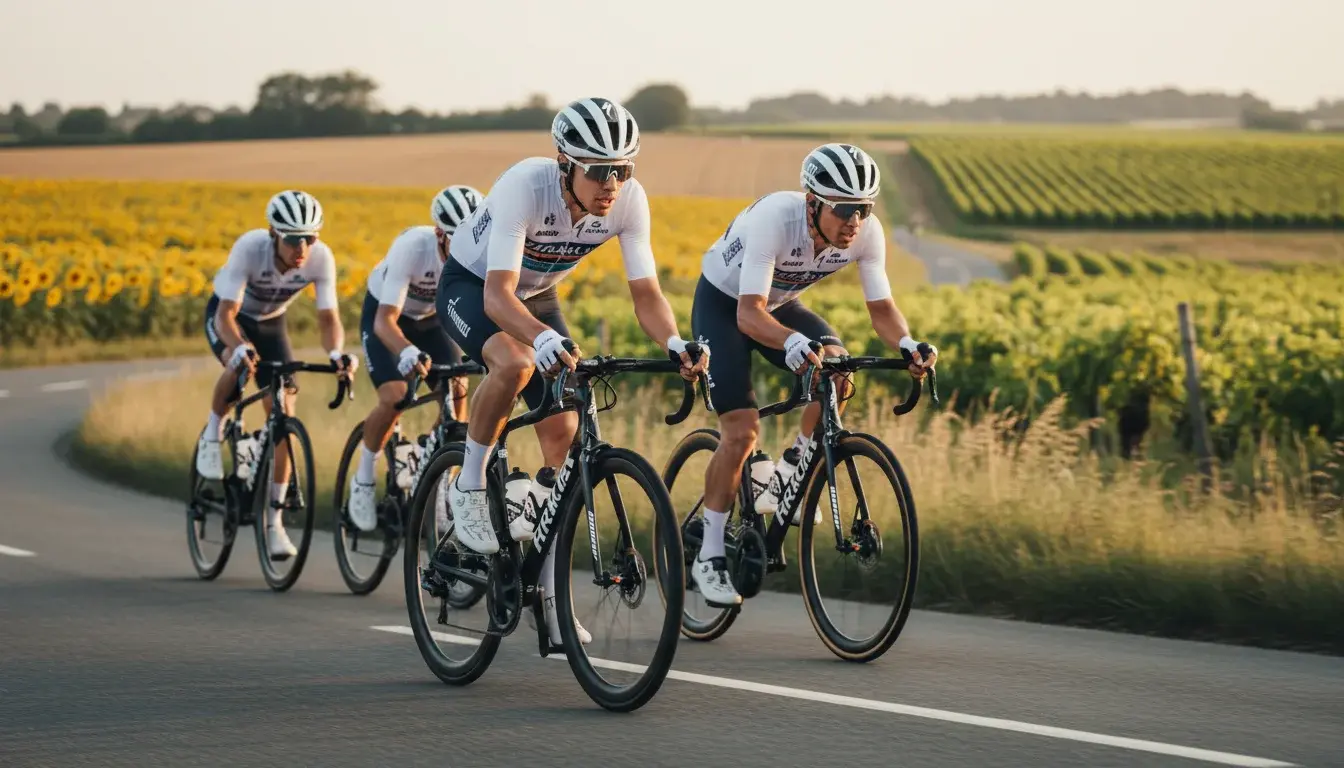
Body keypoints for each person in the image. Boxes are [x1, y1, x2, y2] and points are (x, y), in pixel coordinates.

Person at [435, 96, 709, 645]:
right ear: (565, 164)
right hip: (475, 285)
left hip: (538, 295)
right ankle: (469, 484)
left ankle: (549, 600)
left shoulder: (629, 201)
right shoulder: (526, 186)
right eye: (599, 171)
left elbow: (647, 295)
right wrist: (538, 338)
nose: (612, 183)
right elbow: (497, 297)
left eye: (623, 169)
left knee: (563, 440)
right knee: (514, 364)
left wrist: (675, 341)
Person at [687, 143, 937, 607]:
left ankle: (789, 472)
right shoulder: (776, 221)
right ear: (812, 203)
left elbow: (882, 309)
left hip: (779, 303)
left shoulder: (866, 233)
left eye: (863, 208)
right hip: (726, 306)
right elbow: (748, 315)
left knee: (839, 370)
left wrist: (907, 345)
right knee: (741, 432)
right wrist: (792, 343)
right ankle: (711, 553)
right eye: (843, 208)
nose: (854, 220)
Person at [195, 189, 357, 560]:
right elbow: (225, 315)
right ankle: (213, 433)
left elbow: (328, 318)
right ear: (273, 234)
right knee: (238, 364)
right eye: (292, 239)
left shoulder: (321, 258)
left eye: (309, 238)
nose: (302, 248)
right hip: (230, 318)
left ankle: (274, 523)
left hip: (270, 323)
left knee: (283, 410)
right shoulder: (250, 248)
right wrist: (240, 347)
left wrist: (335, 353)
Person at [346, 185, 483, 533]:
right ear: (439, 234)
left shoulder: (481, 250)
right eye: (457, 239)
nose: (467, 248)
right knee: (395, 396)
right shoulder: (413, 248)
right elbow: (384, 321)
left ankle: (431, 471)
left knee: (457, 393)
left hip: (432, 320)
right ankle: (363, 479)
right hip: (388, 316)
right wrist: (406, 350)